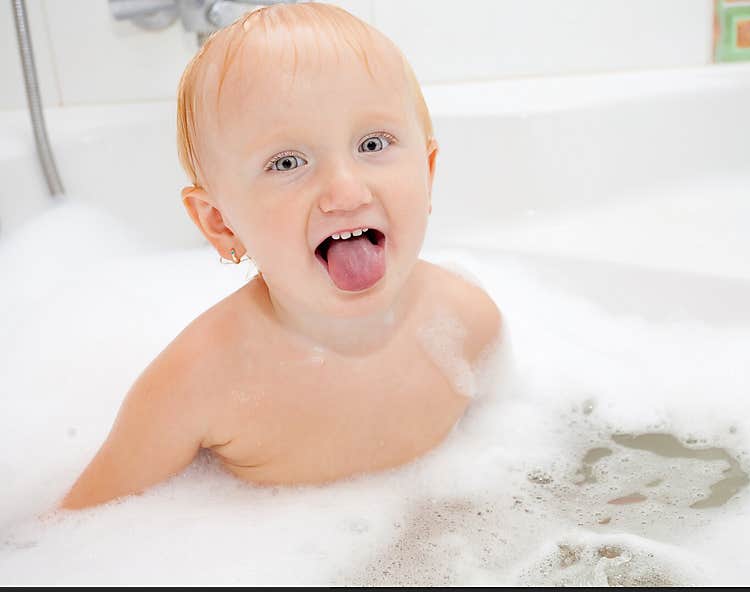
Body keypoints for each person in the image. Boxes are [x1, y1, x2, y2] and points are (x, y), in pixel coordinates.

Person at [59, 2, 502, 510]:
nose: (346, 191)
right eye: (287, 161)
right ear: (219, 222)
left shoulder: (469, 324)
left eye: (373, 143)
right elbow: (80, 529)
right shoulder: (198, 381)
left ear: (428, 172)